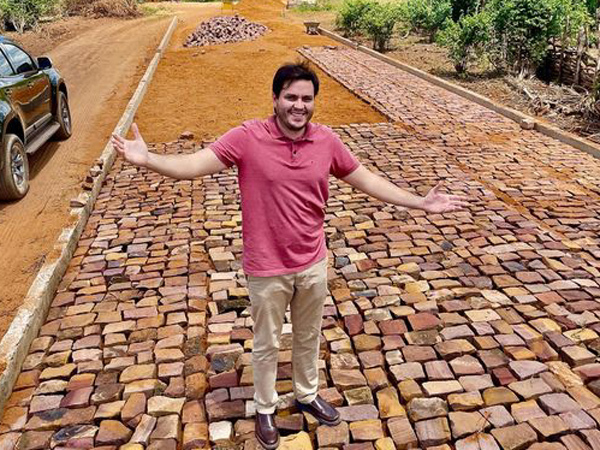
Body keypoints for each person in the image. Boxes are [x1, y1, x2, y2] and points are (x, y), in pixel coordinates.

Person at [111, 62, 469, 450]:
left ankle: (307, 393)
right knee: (267, 342)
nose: (299, 106)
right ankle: (265, 407)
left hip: (313, 262)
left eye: (306, 99)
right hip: (267, 268)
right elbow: (194, 165)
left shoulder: (326, 141)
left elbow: (367, 180)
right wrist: (149, 159)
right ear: (276, 98)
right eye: (291, 97)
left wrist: (419, 202)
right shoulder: (247, 137)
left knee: (308, 335)